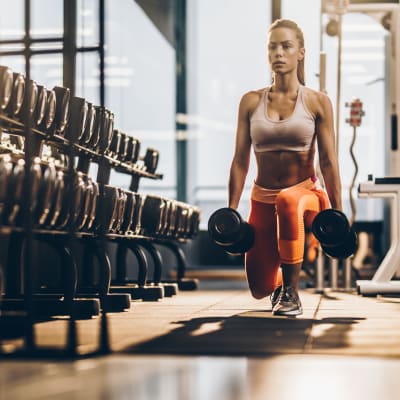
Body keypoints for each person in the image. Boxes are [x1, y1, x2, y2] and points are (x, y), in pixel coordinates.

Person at [228, 19, 342, 316]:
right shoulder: (251, 102)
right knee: (259, 288)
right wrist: (230, 211)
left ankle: (292, 292)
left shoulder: (317, 102)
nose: (278, 53)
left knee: (287, 200)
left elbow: (328, 161)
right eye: (272, 47)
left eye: (286, 46)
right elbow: (240, 160)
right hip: (262, 197)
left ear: (300, 53)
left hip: (306, 194)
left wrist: (338, 212)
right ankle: (279, 284)